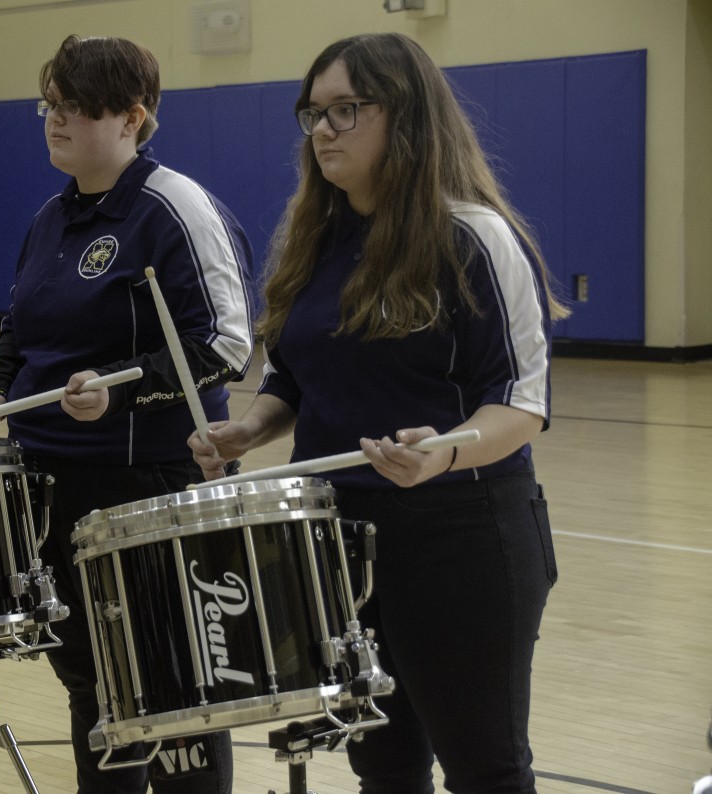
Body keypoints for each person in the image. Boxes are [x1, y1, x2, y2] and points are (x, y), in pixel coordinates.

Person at [189, 32, 567, 793]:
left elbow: (523, 404)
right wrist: (249, 428)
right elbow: (293, 380)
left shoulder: (474, 237)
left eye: (346, 110)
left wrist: (445, 450)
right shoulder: (312, 242)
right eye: (314, 112)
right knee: (384, 768)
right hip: (337, 543)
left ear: (408, 117)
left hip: (462, 536)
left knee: (484, 767)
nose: (323, 129)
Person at [0, 34, 253, 794]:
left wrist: (121, 388)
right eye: (49, 104)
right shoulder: (47, 220)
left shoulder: (173, 207)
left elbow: (227, 343)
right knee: (92, 686)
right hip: (51, 484)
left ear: (132, 116)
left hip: (148, 484)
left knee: (172, 686)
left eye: (75, 107)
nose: (55, 121)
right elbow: (18, 331)